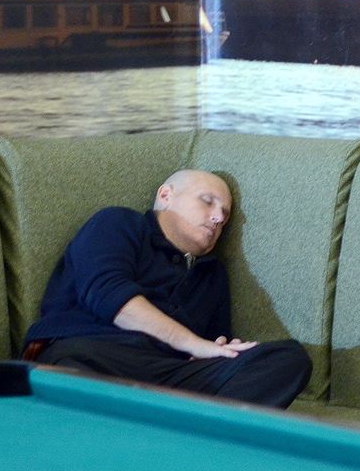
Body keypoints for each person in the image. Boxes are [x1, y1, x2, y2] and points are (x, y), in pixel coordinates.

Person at [22, 169, 312, 409]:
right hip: (95, 354)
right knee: (74, 381)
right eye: (207, 201)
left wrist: (216, 350)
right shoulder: (119, 223)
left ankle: (176, 431)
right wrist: (192, 343)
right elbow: (107, 295)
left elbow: (209, 345)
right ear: (166, 195)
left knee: (288, 359)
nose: (218, 218)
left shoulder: (212, 274)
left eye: (224, 216)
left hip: (170, 378)